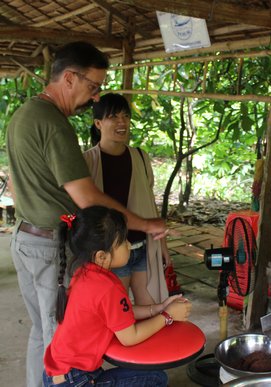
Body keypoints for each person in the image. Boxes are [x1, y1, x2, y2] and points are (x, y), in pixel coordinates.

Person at [6, 41, 168, 387]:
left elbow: (15, 184)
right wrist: (140, 225)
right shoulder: (54, 124)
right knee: (60, 341)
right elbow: (86, 196)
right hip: (49, 244)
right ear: (69, 78)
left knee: (43, 332)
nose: (95, 97)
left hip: (25, 237)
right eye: (92, 87)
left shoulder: (21, 115)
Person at [43, 205, 191, 386]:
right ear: (101, 257)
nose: (129, 245)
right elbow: (130, 337)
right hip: (77, 381)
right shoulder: (107, 287)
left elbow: (120, 314)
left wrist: (159, 308)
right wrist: (168, 316)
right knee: (156, 378)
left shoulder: (84, 273)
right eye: (122, 242)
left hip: (57, 374)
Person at [84, 93, 170, 304]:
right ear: (98, 123)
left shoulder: (140, 156)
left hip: (142, 247)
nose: (121, 122)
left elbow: (150, 204)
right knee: (116, 317)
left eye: (125, 116)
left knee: (152, 311)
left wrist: (163, 246)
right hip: (111, 253)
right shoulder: (87, 161)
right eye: (113, 116)